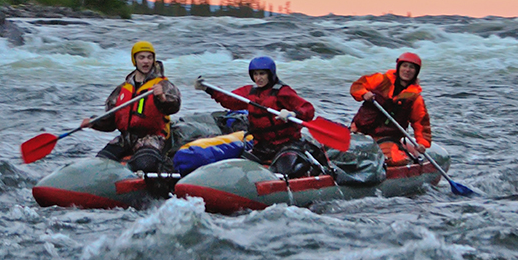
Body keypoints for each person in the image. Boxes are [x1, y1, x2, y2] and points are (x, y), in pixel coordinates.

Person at [195, 56, 324, 175]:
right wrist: (209, 89)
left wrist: (292, 113)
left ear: (270, 74)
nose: (258, 78)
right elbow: (228, 99)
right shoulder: (250, 92)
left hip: (286, 144)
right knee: (239, 169)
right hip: (261, 146)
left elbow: (308, 109)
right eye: (255, 74)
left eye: (262, 74)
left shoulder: (283, 92)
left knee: (288, 171)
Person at [82, 41, 181, 173]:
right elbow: (111, 120)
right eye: (141, 57)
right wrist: (93, 122)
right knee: (101, 162)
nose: (146, 61)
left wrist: (162, 98)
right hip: (126, 138)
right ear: (134, 60)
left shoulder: (162, 84)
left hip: (152, 137)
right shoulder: (123, 88)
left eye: (149, 57)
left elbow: (174, 105)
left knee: (145, 163)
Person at [349, 51, 432, 166]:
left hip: (386, 138)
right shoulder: (381, 80)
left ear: (416, 72)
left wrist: (422, 143)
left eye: (412, 68)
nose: (407, 70)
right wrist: (363, 94)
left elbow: (421, 123)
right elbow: (356, 86)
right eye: (405, 66)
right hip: (360, 131)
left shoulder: (415, 98)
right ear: (399, 67)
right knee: (341, 153)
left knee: (392, 160)